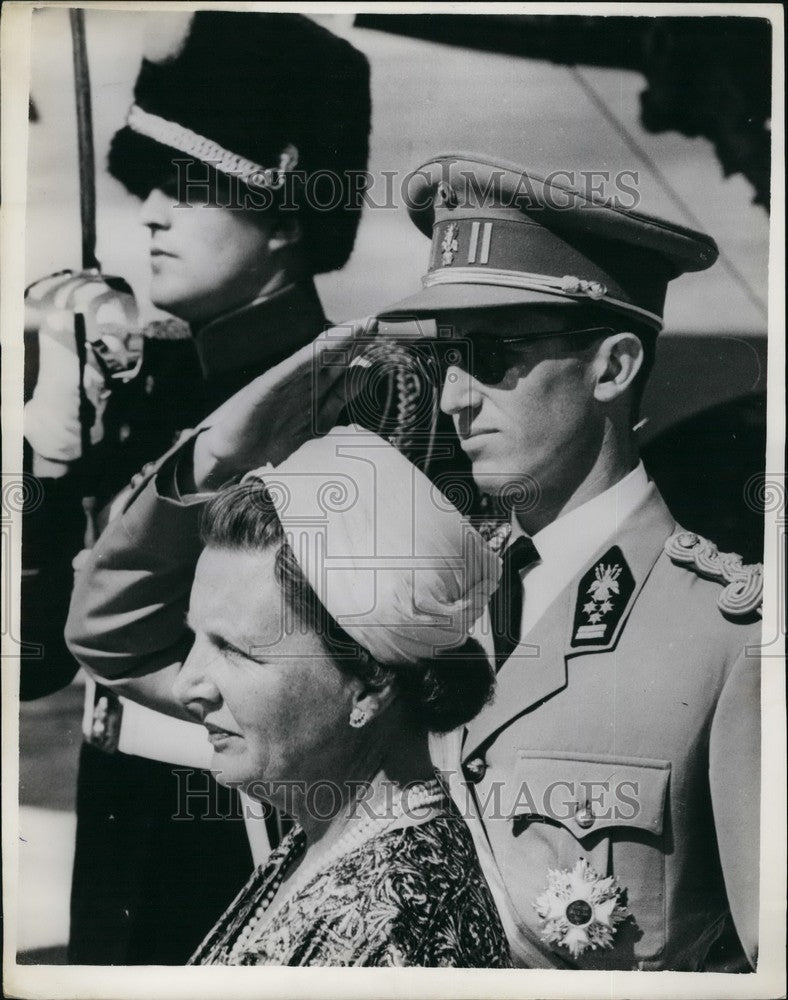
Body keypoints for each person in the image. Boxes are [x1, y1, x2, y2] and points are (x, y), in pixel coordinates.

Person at [27, 11, 373, 964]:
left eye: (193, 186)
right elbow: (29, 664)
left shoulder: (337, 398)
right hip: (118, 820)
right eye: (151, 185)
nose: (152, 213)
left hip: (245, 838)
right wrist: (46, 461)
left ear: (289, 213)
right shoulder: (143, 391)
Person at [378, 153, 762, 972]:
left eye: (492, 355)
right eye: (447, 357)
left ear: (613, 367)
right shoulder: (430, 606)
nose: (451, 398)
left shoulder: (736, 642)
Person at [70, 427, 512, 967]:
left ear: (372, 682)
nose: (187, 685)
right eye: (196, 640)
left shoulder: (400, 928)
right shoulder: (328, 837)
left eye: (235, 650)